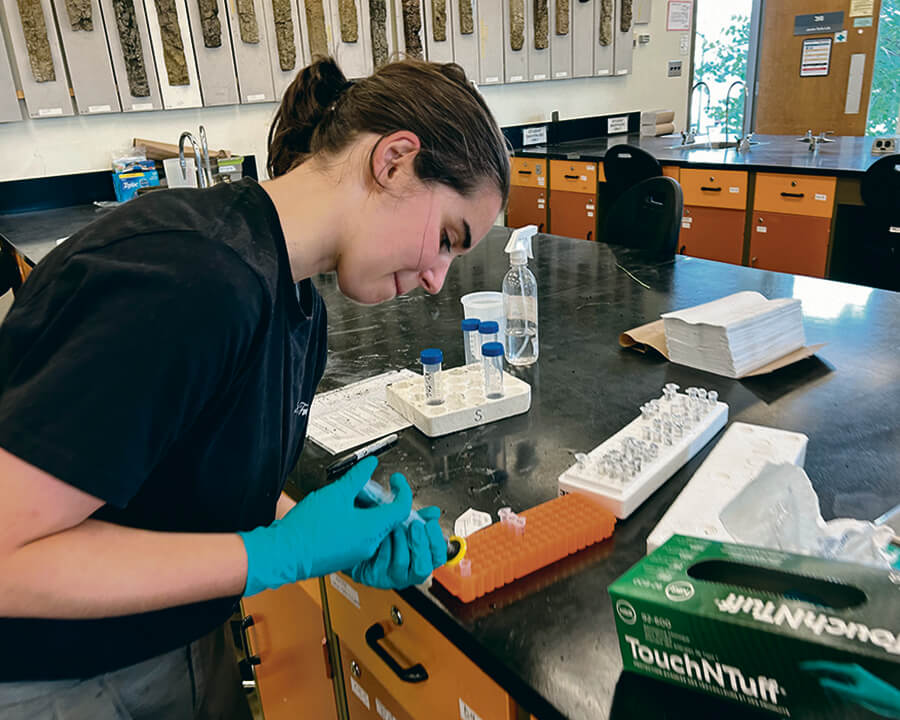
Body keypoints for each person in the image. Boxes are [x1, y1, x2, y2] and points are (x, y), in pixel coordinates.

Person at [0, 57, 509, 719]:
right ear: (394, 161)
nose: (440, 277)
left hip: (170, 634)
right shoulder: (190, 281)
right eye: (446, 238)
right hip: (61, 676)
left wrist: (325, 534)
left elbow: (189, 462)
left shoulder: (293, 300)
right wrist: (273, 556)